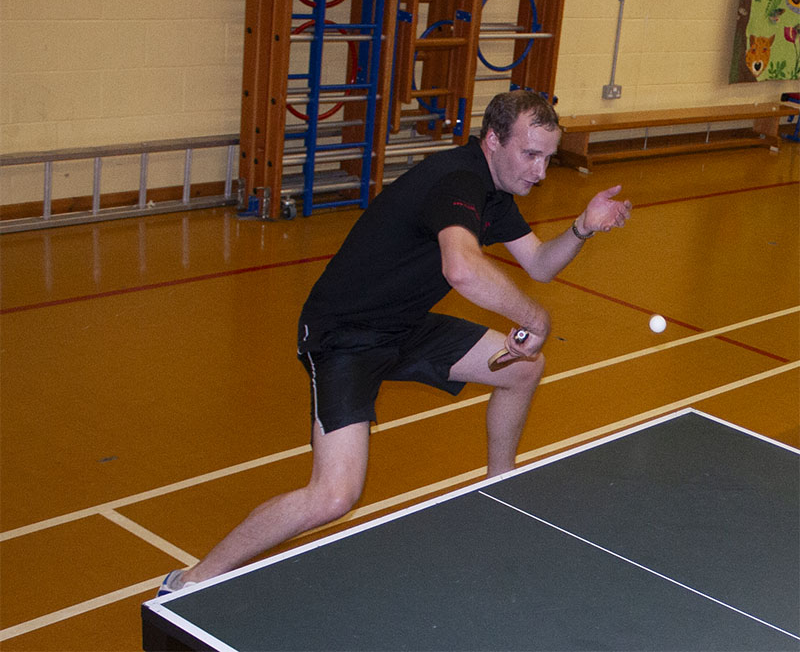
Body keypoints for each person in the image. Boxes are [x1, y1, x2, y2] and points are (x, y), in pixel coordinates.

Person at [158, 90, 632, 595]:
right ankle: (190, 580)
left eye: (547, 157)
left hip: (403, 324)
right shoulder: (459, 179)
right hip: (345, 336)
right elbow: (462, 268)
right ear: (493, 141)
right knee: (334, 495)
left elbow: (538, 263)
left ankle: (499, 491)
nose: (539, 171)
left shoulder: (496, 191)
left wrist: (582, 227)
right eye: (530, 155)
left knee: (521, 368)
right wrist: (533, 316)